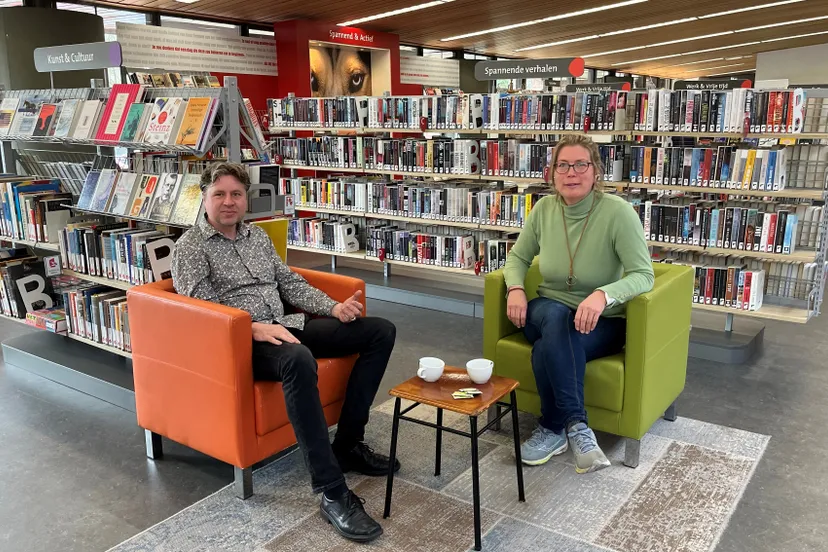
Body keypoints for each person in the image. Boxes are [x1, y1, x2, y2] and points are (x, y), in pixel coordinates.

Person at [171, 162, 398, 543]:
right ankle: (331, 491)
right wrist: (254, 328)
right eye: (220, 194)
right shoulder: (189, 248)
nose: (229, 202)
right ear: (204, 198)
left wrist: (332, 308)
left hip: (286, 325)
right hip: (242, 343)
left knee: (379, 331)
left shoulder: (256, 237)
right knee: (298, 359)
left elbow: (288, 282)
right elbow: (202, 312)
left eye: (236, 194)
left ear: (246, 199)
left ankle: (347, 444)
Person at [503, 135, 654, 474]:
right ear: (552, 173)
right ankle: (579, 428)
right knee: (556, 316)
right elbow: (517, 258)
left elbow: (644, 275)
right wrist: (514, 287)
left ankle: (554, 429)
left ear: (595, 171)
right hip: (545, 311)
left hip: (602, 322)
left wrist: (603, 295)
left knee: (546, 350)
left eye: (580, 164)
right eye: (563, 165)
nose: (571, 173)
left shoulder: (619, 213)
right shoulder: (543, 209)